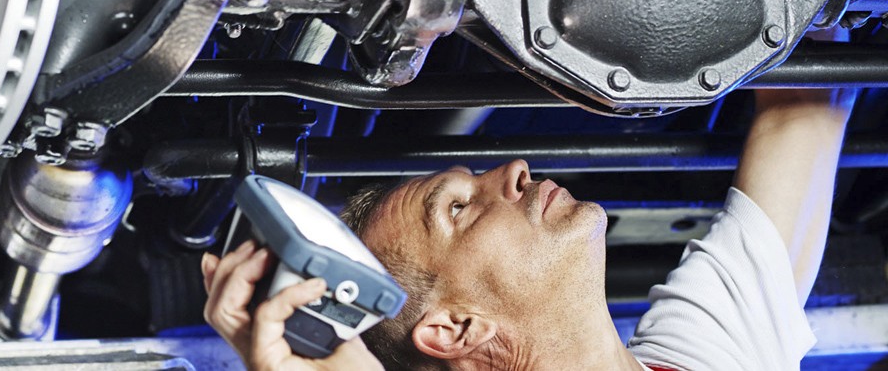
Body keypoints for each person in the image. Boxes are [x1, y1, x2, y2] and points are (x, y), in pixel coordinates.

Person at [201, 88, 854, 370]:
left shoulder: (708, 352)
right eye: (458, 210)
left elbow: (804, 110)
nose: (513, 170)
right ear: (455, 328)